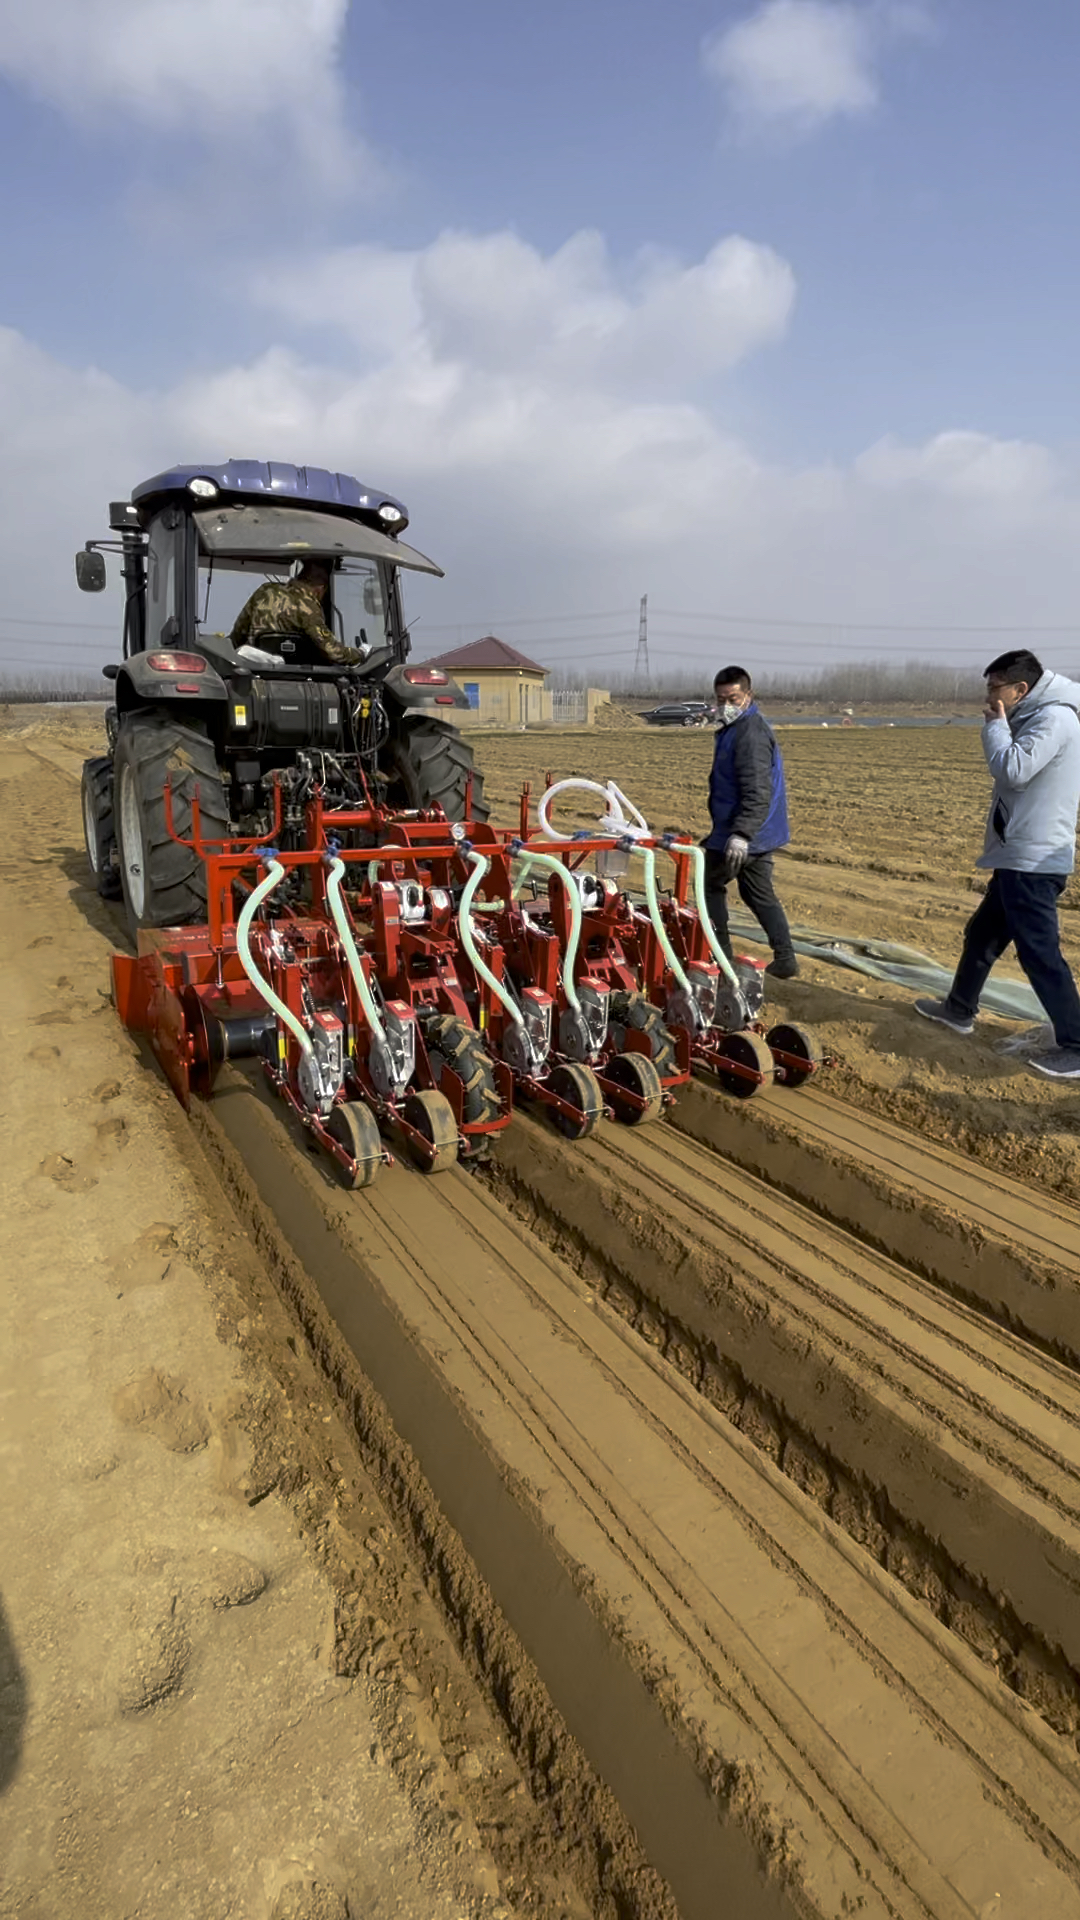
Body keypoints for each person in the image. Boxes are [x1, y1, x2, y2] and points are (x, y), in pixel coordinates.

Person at [914, 649, 1080, 1079]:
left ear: (1021, 689)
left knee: (1039, 952)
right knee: (984, 935)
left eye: (995, 688)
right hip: (1017, 854)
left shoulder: (1055, 718)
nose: (988, 697)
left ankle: (1077, 1044)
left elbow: (1013, 770)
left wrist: (995, 726)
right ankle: (958, 1008)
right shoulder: (1038, 714)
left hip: (1034, 857)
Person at [703, 666, 798, 980]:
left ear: (748, 696)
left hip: (746, 833)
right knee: (758, 893)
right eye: (721, 699)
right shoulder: (736, 728)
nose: (726, 705)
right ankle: (785, 959)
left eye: (733, 698)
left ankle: (721, 956)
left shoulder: (750, 734)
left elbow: (757, 791)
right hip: (756, 832)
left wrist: (741, 834)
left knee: (708, 884)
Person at [231, 559, 365, 666]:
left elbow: (238, 634)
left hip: (254, 674)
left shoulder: (265, 591)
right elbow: (333, 652)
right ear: (320, 588)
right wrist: (361, 653)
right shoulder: (308, 607)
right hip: (296, 679)